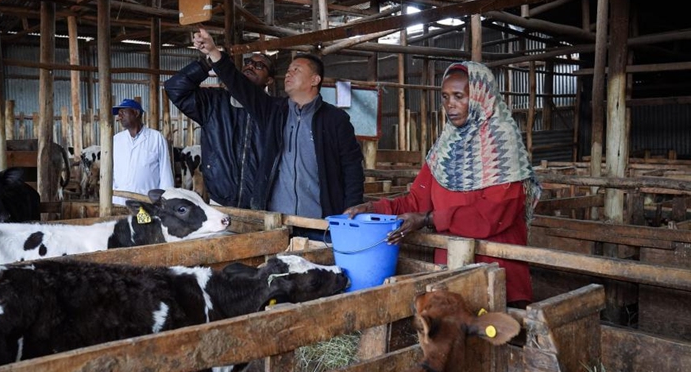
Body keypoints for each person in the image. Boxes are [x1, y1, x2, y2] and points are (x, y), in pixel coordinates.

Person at [345, 61, 541, 306]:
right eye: (445, 97)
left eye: (459, 96)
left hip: (498, 278)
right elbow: (416, 200)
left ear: (481, 97)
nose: (450, 105)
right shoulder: (444, 148)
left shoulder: (503, 148)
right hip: (449, 272)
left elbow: (490, 216)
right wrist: (374, 209)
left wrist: (428, 219)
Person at [192, 28, 364, 220]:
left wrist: (352, 208)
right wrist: (214, 52)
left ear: (315, 80)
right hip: (277, 220)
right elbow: (240, 85)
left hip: (320, 220)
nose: (289, 74)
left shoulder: (335, 119)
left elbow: (352, 167)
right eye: (288, 70)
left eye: (296, 70)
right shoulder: (274, 111)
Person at [165, 52, 276, 208]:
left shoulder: (275, 111)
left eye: (259, 66)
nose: (250, 66)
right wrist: (206, 63)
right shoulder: (215, 103)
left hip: (262, 204)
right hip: (220, 201)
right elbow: (175, 88)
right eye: (248, 62)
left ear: (269, 80)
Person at [111, 98, 174, 206]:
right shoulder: (116, 140)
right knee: (122, 222)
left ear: (136, 113)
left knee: (145, 223)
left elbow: (165, 173)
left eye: (123, 113)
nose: (119, 117)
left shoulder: (156, 138)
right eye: (119, 114)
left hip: (146, 201)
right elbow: (110, 172)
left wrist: (165, 201)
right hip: (119, 201)